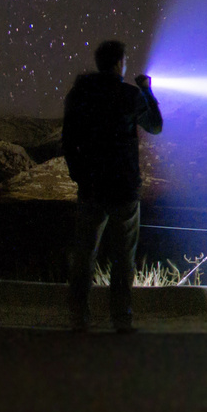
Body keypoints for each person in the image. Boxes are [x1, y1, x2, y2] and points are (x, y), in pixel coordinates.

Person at [61, 39, 163, 333]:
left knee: (84, 254)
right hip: (124, 188)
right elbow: (155, 125)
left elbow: (68, 139)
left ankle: (79, 317)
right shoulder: (129, 95)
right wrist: (146, 89)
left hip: (91, 187)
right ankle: (121, 318)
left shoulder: (79, 94)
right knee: (123, 258)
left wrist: (78, 175)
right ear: (119, 63)